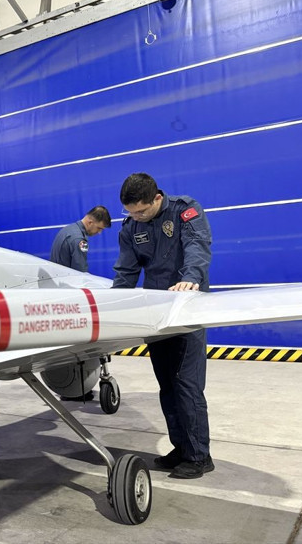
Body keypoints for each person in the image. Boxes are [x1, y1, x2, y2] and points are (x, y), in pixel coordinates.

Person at [111, 173, 214, 479]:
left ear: (157, 198)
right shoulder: (131, 227)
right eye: (131, 212)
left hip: (185, 310)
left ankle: (199, 456)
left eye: (141, 211)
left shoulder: (185, 211)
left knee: (186, 384)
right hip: (156, 315)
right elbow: (126, 271)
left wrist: (190, 278)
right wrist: (113, 306)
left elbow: (197, 246)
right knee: (167, 386)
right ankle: (180, 449)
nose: (137, 217)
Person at [50, 206, 112, 272]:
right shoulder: (79, 240)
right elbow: (81, 271)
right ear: (90, 223)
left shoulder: (67, 230)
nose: (99, 232)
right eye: (99, 228)